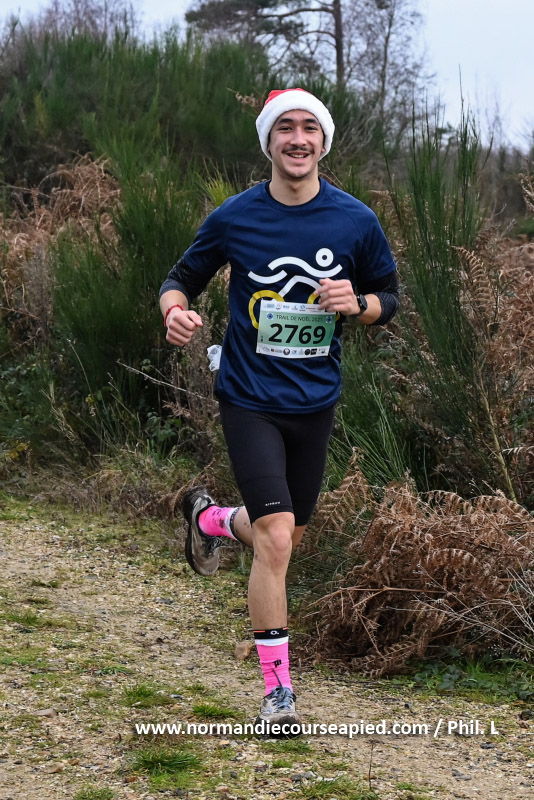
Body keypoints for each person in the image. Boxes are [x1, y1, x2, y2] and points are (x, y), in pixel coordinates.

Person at [159, 88, 399, 737]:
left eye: (309, 128)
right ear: (269, 141)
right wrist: (175, 312)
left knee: (290, 530)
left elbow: (390, 296)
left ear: (323, 141)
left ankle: (210, 519)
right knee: (276, 537)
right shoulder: (237, 217)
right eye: (285, 128)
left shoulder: (355, 220)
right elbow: (179, 278)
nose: (298, 139)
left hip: (314, 401)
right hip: (248, 396)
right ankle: (278, 694)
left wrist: (360, 305)